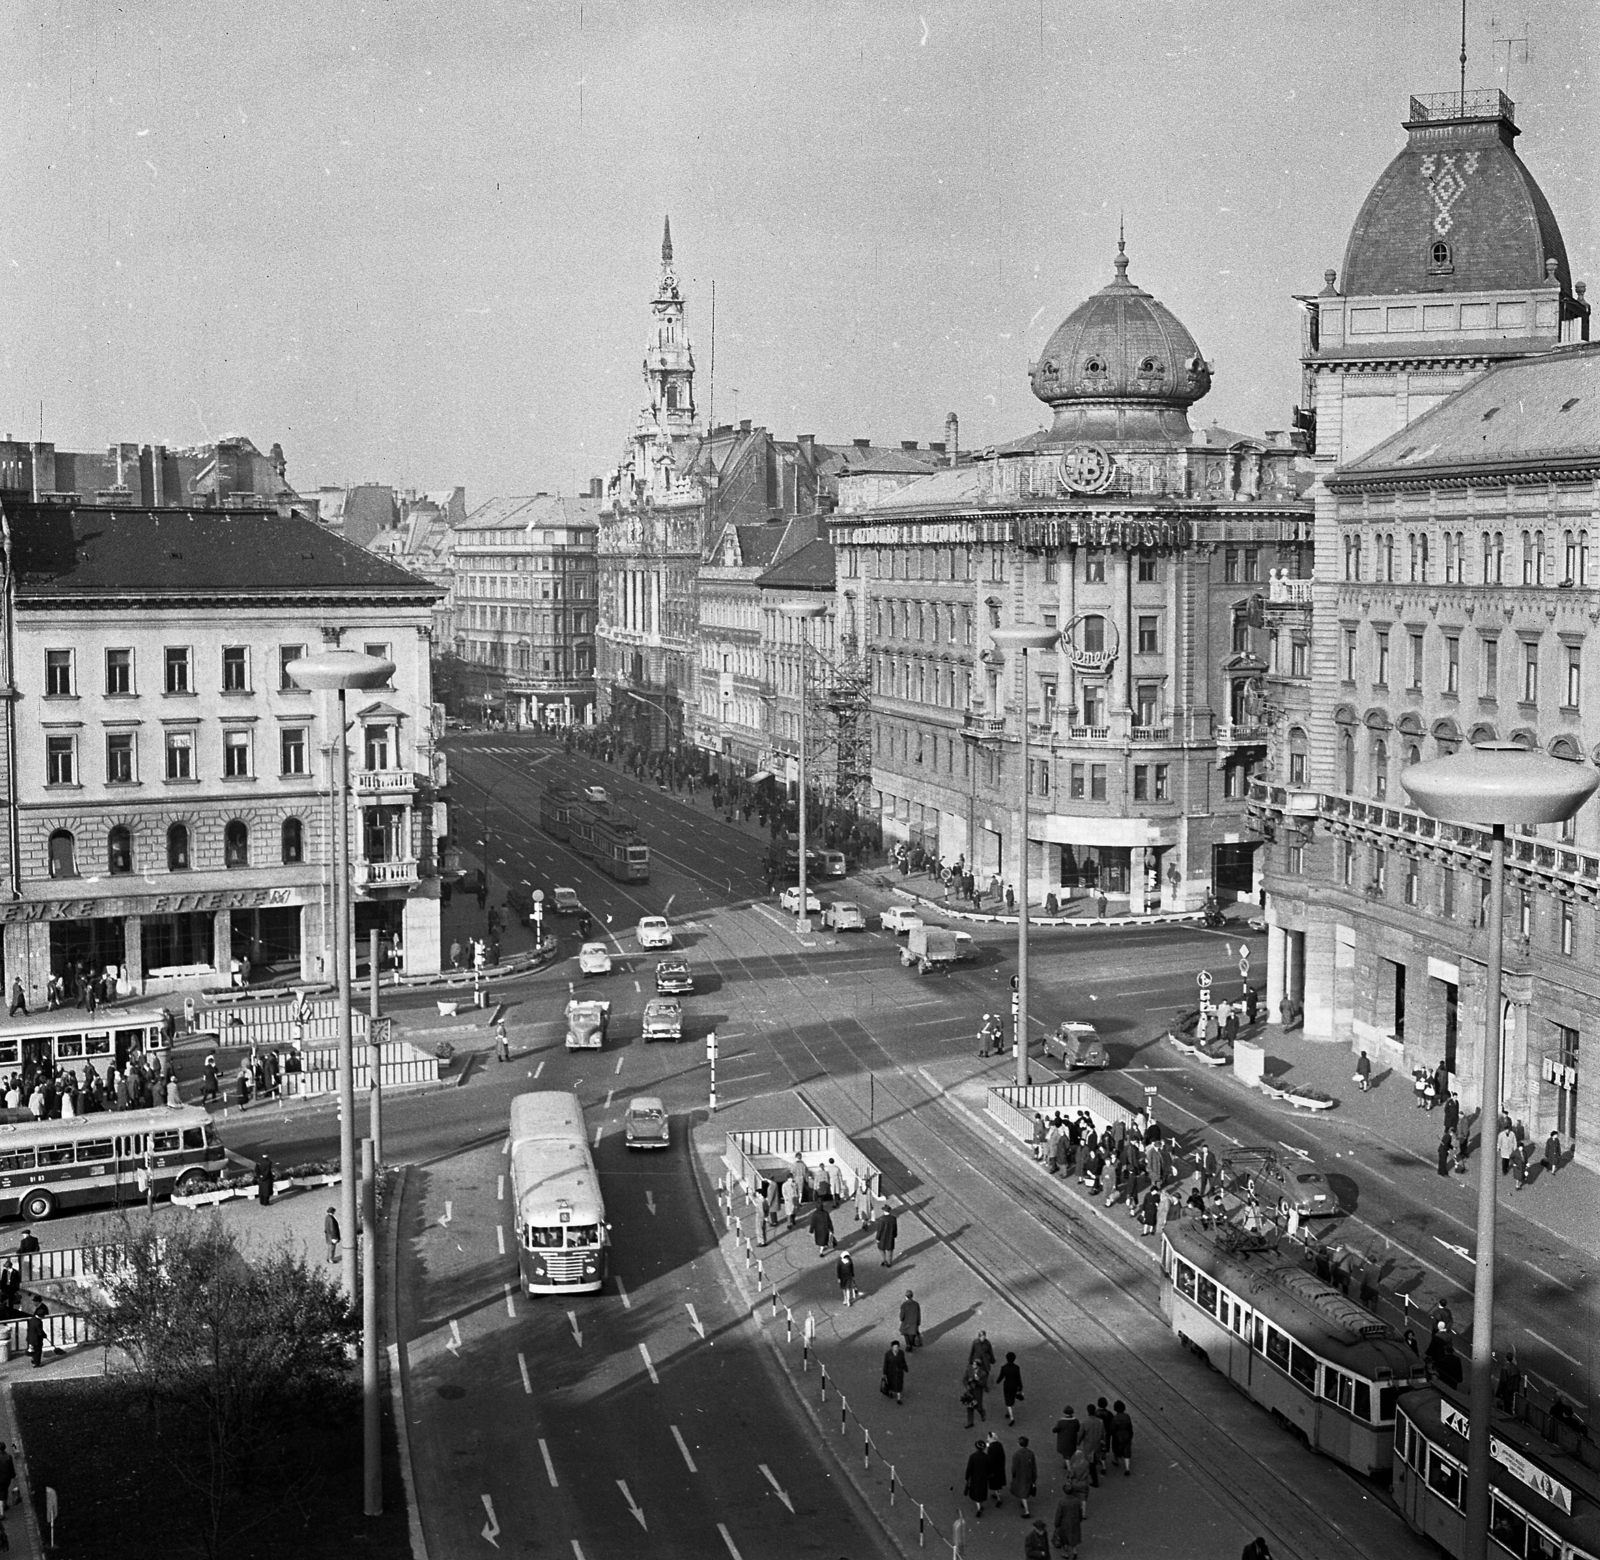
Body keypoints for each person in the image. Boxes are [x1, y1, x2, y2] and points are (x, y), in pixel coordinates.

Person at [1010, 1435, 1038, 1519]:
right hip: (1029, 1474)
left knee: (1022, 1492)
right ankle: (1023, 1502)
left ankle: (1027, 1511)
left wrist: (1013, 1474)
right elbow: (1033, 1465)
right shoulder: (1030, 1453)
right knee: (1026, 1489)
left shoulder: (1017, 1454)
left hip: (1020, 1475)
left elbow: (1014, 1467)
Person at [963, 1439, 990, 1521]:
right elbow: (990, 1468)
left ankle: (979, 1508)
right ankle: (981, 1504)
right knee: (982, 1491)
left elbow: (969, 1468)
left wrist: (967, 1477)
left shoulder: (973, 1457)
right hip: (983, 1478)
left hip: (975, 1477)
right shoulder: (986, 1457)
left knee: (976, 1492)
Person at [997, 1351, 1024, 1425]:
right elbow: (1019, 1378)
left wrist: (997, 1381)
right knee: (1011, 1399)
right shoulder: (1016, 1368)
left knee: (1007, 1400)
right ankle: (1007, 1412)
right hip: (1014, 1386)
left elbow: (1001, 1377)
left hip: (1007, 1386)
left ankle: (1012, 1418)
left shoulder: (1004, 1368)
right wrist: (1020, 1387)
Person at [962, 1359, 988, 1427]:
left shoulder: (983, 1373)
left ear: (978, 1366)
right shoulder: (969, 1370)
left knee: (978, 1406)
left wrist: (978, 1380)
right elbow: (964, 1379)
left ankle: (982, 1413)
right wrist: (967, 1386)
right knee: (970, 1407)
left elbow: (983, 1384)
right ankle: (970, 1422)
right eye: (973, 1364)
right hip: (970, 1391)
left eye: (974, 1364)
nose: (973, 1365)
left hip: (978, 1392)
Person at [881, 1338, 908, 1404]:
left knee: (899, 1384)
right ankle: (890, 1392)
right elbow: (886, 1363)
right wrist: (884, 1372)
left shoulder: (901, 1353)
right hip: (890, 1372)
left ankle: (899, 1398)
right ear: (892, 1347)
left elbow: (903, 1361)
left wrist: (905, 1368)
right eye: (894, 1347)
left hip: (899, 1371)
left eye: (897, 1347)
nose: (896, 1348)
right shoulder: (888, 1354)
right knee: (890, 1383)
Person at [984, 1431, 1007, 1507]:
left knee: (994, 1485)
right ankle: (998, 1494)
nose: (987, 1438)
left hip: (994, 1470)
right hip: (1000, 1468)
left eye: (988, 1437)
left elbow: (990, 1459)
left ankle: (998, 1498)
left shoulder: (991, 1448)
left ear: (991, 1438)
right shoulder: (999, 1445)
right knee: (998, 1484)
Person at [1497, 1349, 1523, 1414]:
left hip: (1507, 1390)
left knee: (1507, 1406)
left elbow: (1503, 1381)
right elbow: (1519, 1379)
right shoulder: (1516, 1368)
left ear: (1506, 1358)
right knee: (1513, 1405)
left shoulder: (1505, 1368)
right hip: (1515, 1390)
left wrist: (1499, 1392)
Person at [25, 1304, 45, 1368]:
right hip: (36, 1339)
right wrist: (44, 1335)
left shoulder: (31, 1319)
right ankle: (36, 1363)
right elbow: (40, 1332)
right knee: (38, 1351)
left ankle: (33, 1360)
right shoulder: (39, 1322)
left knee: (33, 1350)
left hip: (30, 1338)